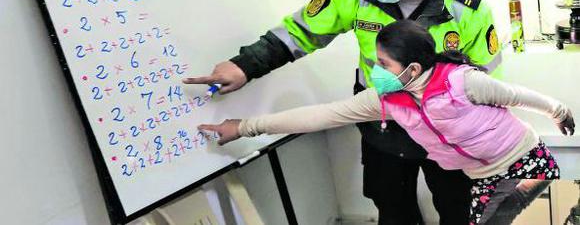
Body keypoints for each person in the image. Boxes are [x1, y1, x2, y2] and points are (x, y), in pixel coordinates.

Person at [184, 0, 502, 224]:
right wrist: (244, 66)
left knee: (461, 212)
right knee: (393, 212)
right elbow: (298, 33)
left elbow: (485, 82)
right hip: (382, 127)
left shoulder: (466, 11)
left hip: (444, 131)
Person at [198, 20, 576, 225]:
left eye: (384, 65)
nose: (375, 71)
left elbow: (517, 95)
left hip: (525, 161)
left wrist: (558, 111)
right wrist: (246, 126)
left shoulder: (463, 82)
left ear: (412, 68)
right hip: (481, 177)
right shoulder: (387, 101)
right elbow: (321, 115)